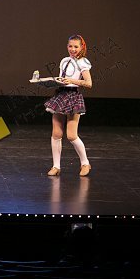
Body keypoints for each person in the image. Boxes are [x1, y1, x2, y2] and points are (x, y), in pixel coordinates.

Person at [45, 34, 93, 177]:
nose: (72, 49)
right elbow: (63, 79)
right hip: (61, 95)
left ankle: (85, 163)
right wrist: (52, 82)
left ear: (81, 47)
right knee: (56, 133)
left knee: (71, 135)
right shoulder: (64, 61)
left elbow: (88, 83)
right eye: (70, 46)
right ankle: (56, 166)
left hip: (73, 96)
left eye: (76, 46)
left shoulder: (83, 62)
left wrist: (71, 81)